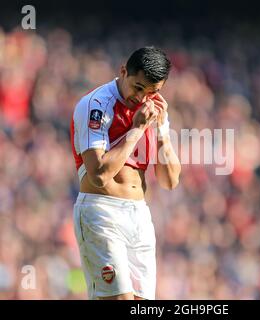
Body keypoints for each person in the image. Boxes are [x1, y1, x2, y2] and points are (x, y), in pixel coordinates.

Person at [70, 47, 181, 300]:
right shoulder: (96, 105)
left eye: (152, 92)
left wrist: (162, 131)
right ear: (123, 71)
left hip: (139, 214)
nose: (142, 98)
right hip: (101, 211)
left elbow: (170, 180)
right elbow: (98, 175)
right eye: (138, 87)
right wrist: (137, 130)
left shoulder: (153, 111)